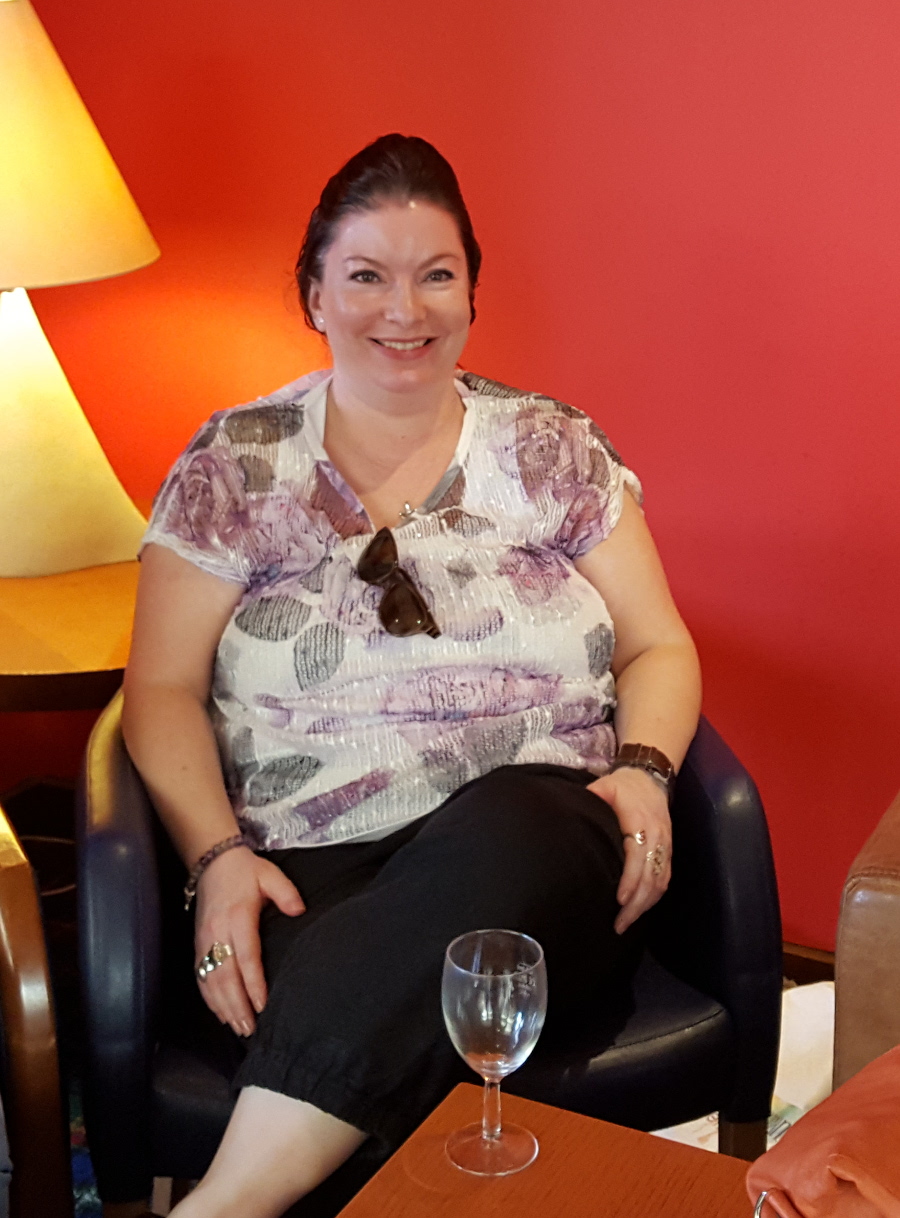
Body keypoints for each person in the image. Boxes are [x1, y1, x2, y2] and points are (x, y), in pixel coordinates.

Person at [123, 133, 702, 1218]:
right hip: (312, 867)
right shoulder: (236, 464)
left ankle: (220, 1204)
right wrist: (219, 858)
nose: (405, 308)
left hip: (540, 848)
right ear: (314, 295)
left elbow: (657, 644)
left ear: (473, 292)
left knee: (514, 833)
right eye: (366, 276)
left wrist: (645, 770)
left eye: (436, 274)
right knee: (362, 1000)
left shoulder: (551, 447)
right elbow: (158, 691)